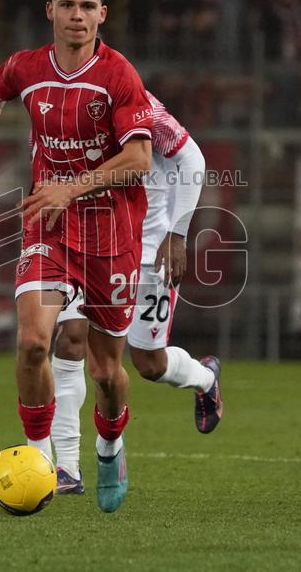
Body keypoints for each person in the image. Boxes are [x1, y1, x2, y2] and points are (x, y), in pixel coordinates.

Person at [0, 0, 153, 513]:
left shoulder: (118, 75)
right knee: (32, 343)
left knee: (108, 372)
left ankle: (110, 447)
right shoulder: (26, 66)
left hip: (111, 236)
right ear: (49, 10)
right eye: (66, 5)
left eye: (87, 7)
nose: (76, 15)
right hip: (49, 226)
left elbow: (139, 158)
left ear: (102, 16)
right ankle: (41, 462)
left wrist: (72, 187)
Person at [49, 91, 222, 494]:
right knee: (71, 341)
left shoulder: (138, 104)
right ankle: (67, 468)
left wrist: (177, 234)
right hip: (84, 246)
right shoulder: (59, 102)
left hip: (146, 253)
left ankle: (204, 377)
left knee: (149, 364)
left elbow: (192, 160)